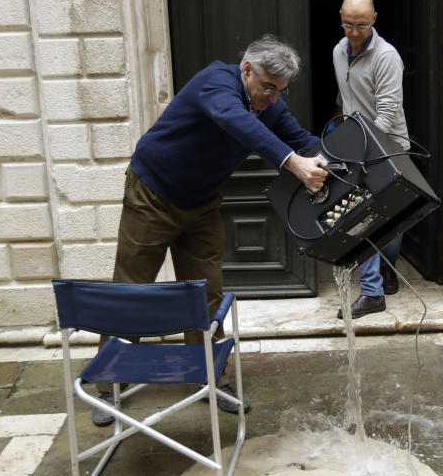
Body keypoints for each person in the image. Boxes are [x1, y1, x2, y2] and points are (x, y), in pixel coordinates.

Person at [92, 34, 328, 426]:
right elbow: (235, 123)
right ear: (247, 69)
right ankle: (106, 384)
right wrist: (293, 164)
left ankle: (208, 379)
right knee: (131, 287)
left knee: (205, 293)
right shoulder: (216, 83)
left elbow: (302, 139)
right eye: (267, 87)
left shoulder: (271, 106)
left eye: (280, 90)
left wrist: (340, 156)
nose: (272, 98)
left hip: (201, 204)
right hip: (152, 194)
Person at [332, 0, 410, 319]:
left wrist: (366, 149)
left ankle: (378, 281)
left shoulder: (386, 56)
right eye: (348, 24)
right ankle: (378, 282)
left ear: (374, 20)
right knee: (371, 218)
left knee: (380, 220)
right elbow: (345, 96)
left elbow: (387, 111)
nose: (353, 32)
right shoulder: (338, 50)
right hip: (356, 144)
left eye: (361, 25)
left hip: (387, 147)